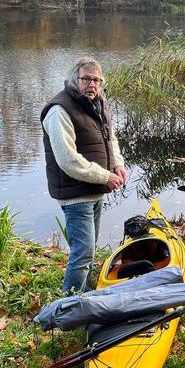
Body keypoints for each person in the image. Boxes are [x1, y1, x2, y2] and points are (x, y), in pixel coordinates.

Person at [41, 57, 128, 293]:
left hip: (95, 190)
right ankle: (69, 305)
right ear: (74, 80)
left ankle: (86, 296)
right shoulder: (59, 110)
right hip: (76, 194)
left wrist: (117, 166)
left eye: (97, 80)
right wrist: (105, 177)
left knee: (88, 250)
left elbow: (111, 140)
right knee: (83, 252)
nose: (92, 85)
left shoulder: (98, 104)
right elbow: (68, 161)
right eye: (86, 79)